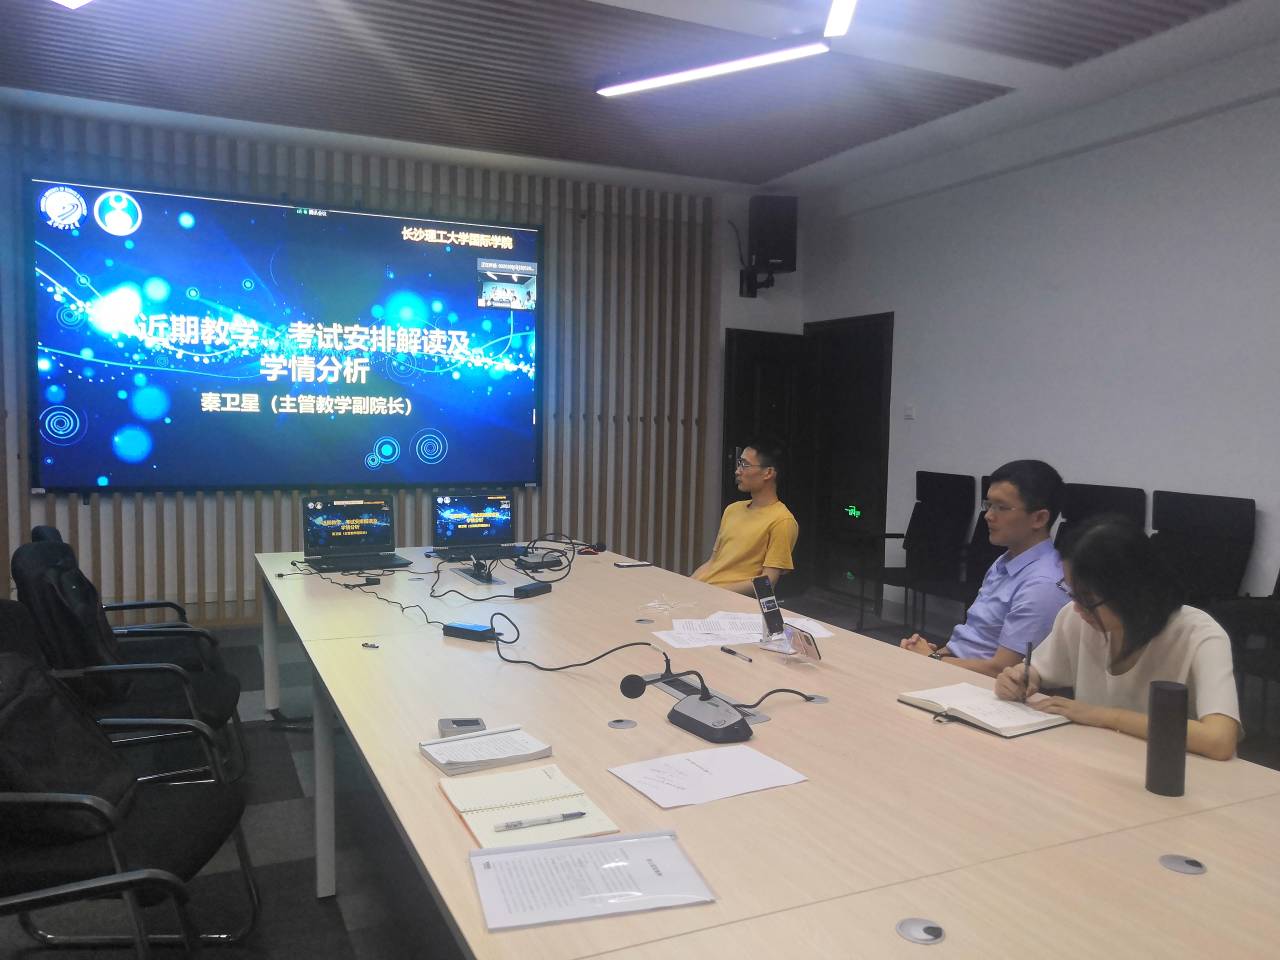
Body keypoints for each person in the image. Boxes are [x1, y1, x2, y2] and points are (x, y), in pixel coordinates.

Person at [995, 515, 1240, 760]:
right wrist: (1020, 679)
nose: (1078, 608)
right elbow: (1038, 670)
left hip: (1177, 770)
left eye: (1088, 599)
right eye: (1073, 594)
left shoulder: (1199, 635)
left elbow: (1219, 740)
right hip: (1101, 760)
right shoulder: (1076, 617)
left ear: (1131, 589)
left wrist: (1104, 716)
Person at [900, 460, 1067, 676]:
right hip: (954, 667)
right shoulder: (1005, 561)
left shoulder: (1043, 585)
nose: (988, 515)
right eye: (988, 504)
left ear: (1039, 518)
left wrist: (932, 659)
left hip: (982, 685)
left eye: (1001, 507)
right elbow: (973, 639)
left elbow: (1003, 669)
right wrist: (932, 654)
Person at [692, 441, 798, 596]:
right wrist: (689, 585)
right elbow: (713, 562)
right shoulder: (732, 509)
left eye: (744, 465)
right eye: (739, 463)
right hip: (704, 593)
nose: (737, 471)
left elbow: (768, 581)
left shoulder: (782, 521)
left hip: (728, 600)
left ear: (768, 473)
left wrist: (713, 593)